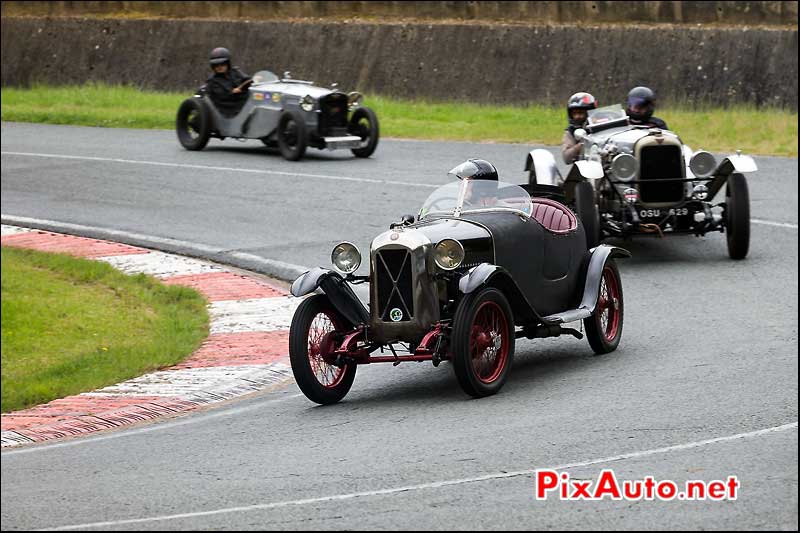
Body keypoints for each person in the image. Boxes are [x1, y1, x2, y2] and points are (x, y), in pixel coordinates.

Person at [205, 47, 252, 117]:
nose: (219, 67)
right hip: (227, 109)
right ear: (213, 66)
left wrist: (255, 79)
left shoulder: (235, 72)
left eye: (222, 64)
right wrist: (233, 92)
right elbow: (221, 96)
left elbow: (247, 79)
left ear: (228, 63)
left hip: (244, 102)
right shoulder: (212, 81)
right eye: (216, 65)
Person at [561, 92, 598, 164]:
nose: (577, 116)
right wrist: (580, 146)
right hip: (585, 166)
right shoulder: (571, 131)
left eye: (581, 113)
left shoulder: (602, 123)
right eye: (574, 113)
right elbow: (566, 158)